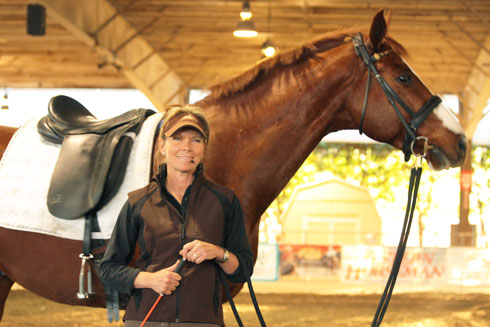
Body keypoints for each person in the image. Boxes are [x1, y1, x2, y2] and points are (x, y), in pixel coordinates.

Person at [100, 104, 254, 327]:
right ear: (162, 145)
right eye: (177, 138)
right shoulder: (138, 202)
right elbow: (108, 269)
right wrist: (149, 279)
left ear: (204, 147)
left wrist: (218, 252)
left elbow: (243, 270)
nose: (187, 147)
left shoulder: (225, 201)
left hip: (202, 321)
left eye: (196, 140)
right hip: (145, 319)